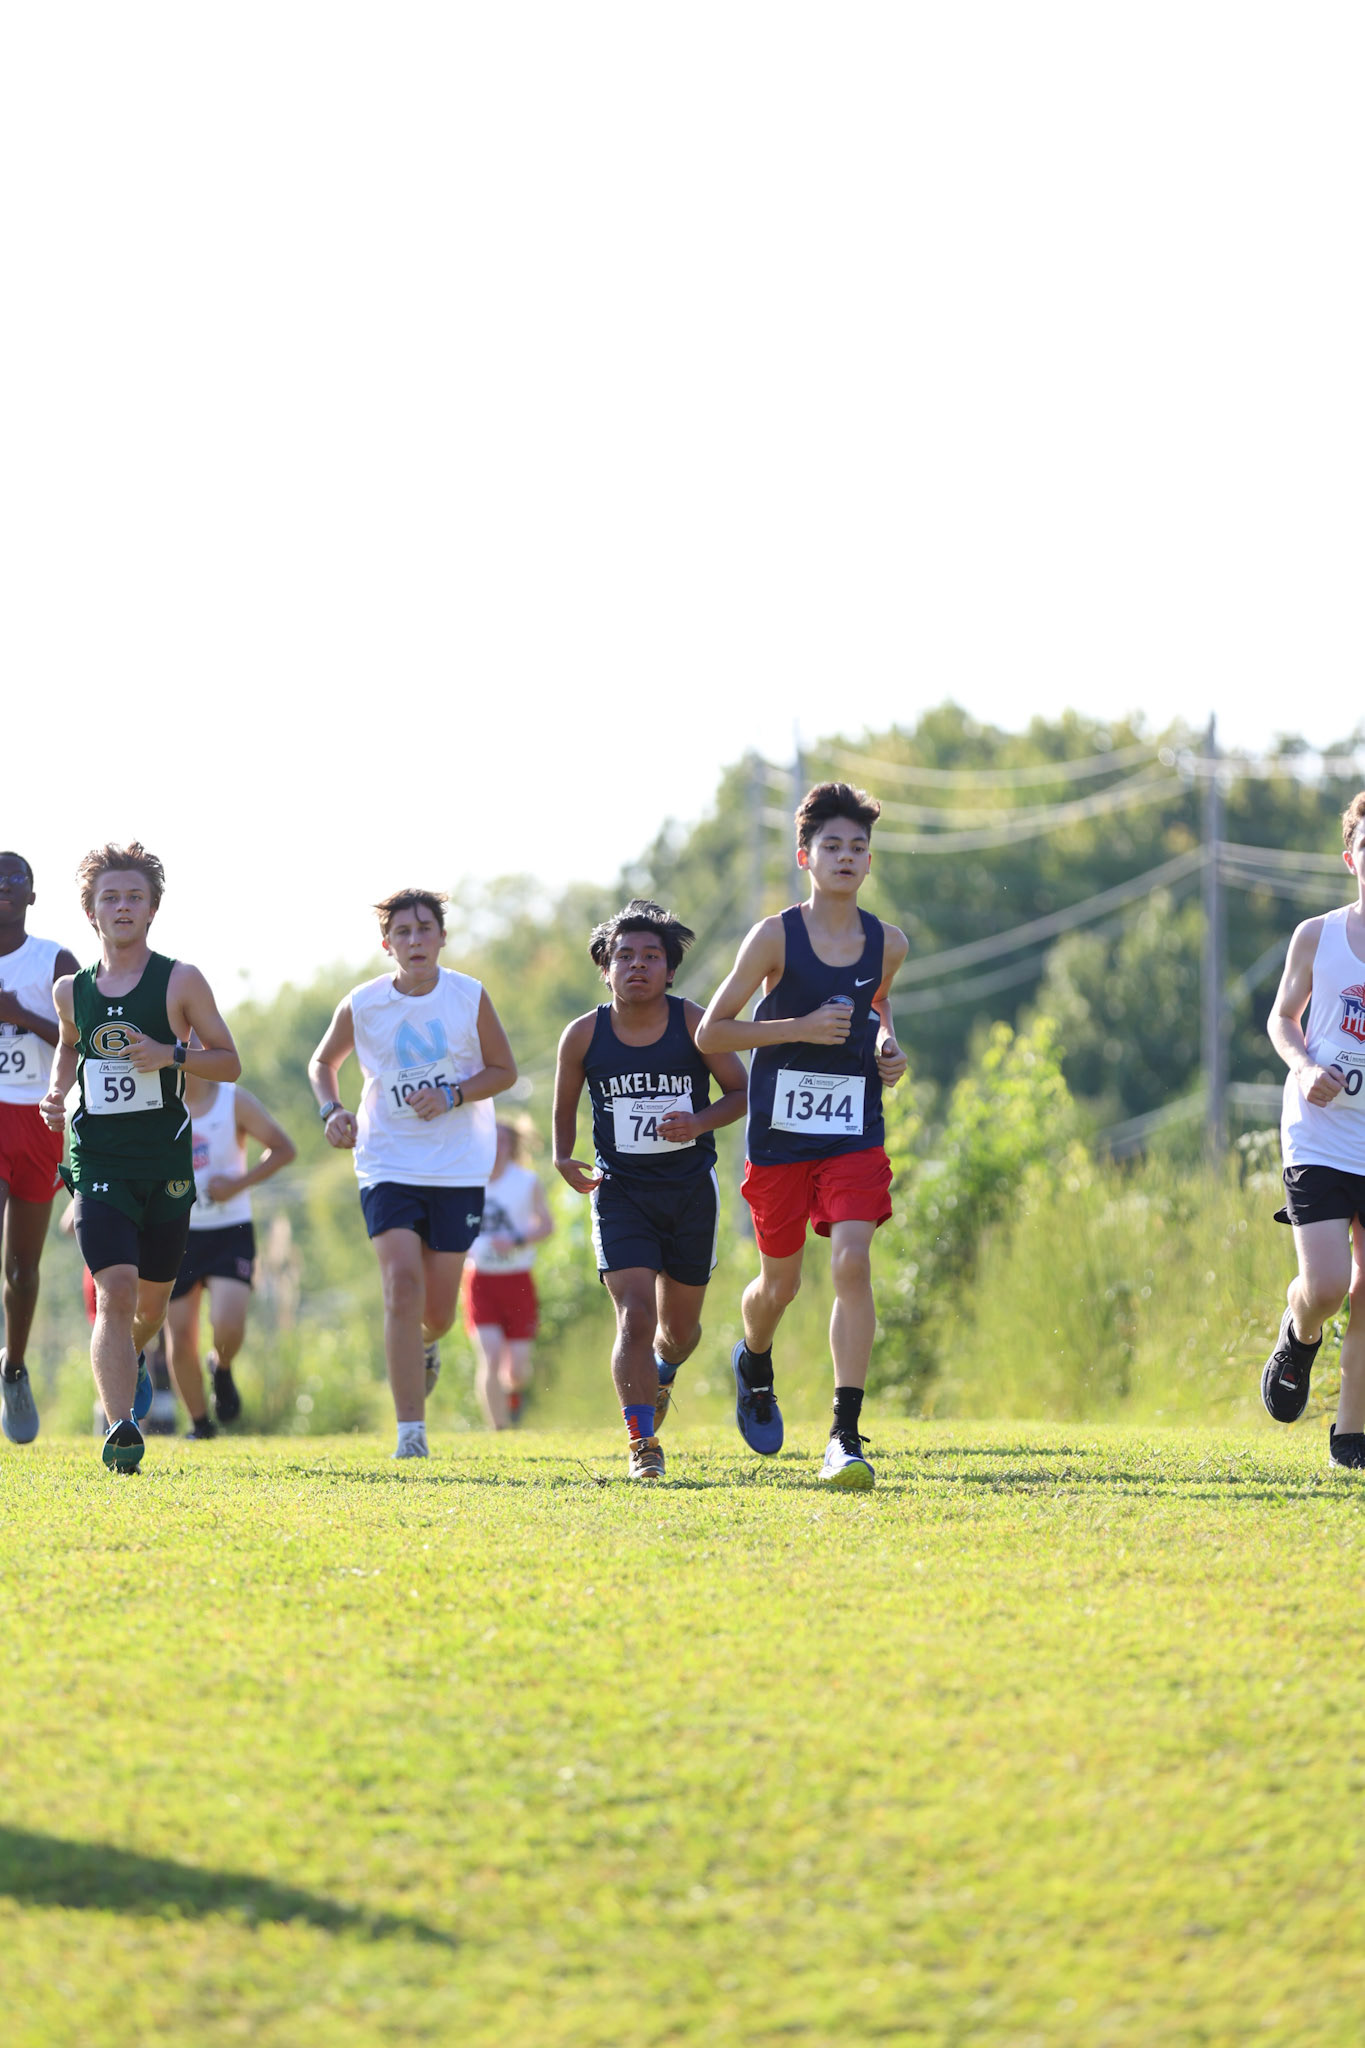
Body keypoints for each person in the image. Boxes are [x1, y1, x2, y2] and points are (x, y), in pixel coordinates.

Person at [696, 782, 909, 1491]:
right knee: (779, 1285)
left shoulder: (888, 943)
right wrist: (799, 1028)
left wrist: (887, 1047)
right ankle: (754, 1360)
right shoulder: (773, 937)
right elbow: (711, 1033)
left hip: (853, 1129)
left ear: (869, 861)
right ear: (804, 857)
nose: (845, 857)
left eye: (857, 847)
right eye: (831, 846)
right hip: (779, 1137)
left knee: (852, 1262)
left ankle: (844, 1436)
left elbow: (878, 1005)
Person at [39, 843, 241, 1473]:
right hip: (98, 1162)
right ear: (91, 912)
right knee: (116, 1291)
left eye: (134, 897)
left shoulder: (181, 980)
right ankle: (121, 1424)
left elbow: (229, 1062)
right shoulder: (70, 991)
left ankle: (131, 1361)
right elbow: (68, 1046)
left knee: (151, 1307)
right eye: (110, 898)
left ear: (153, 908)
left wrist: (170, 1055)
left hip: (165, 1166)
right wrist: (56, 1091)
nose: (122, 907)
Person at [308, 888, 518, 1460]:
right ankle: (411, 1434)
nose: (415, 939)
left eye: (425, 929)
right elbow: (323, 1062)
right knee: (401, 1286)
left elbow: (503, 1070)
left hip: (457, 1166)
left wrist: (453, 1094)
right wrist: (332, 1110)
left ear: (442, 937)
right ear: (387, 944)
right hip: (387, 1161)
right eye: (403, 932)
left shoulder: (468, 996)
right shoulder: (363, 1003)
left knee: (438, 1314)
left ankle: (425, 1345)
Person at [553, 899, 748, 1480]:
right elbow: (564, 1106)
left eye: (651, 956)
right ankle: (643, 1444)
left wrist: (698, 1122)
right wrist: (562, 1156)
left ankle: (662, 1373)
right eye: (624, 956)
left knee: (679, 1334)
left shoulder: (694, 1024)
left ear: (670, 970)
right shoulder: (582, 1035)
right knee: (635, 1317)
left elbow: (742, 1092)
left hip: (689, 1192)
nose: (637, 965)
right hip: (621, 1192)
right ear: (605, 969)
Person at [1263, 791, 1365, 1469]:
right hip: (1320, 1134)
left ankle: (1350, 1437)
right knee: (1327, 1286)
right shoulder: (1316, 936)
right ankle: (1299, 1333)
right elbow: (1281, 1017)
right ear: (1349, 858)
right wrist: (1303, 1068)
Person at [164, 1074, 296, 1437]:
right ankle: (199, 1425)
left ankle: (221, 1366)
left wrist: (237, 1185)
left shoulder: (232, 1100)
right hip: (176, 1231)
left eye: (191, 1044)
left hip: (229, 1229)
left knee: (228, 1323)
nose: (181, 1048)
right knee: (180, 1335)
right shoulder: (156, 1100)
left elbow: (284, 1149)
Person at [0, 853, 80, 1445]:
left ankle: (14, 1367)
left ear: (31, 895)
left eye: (15, 879)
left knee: (22, 1269)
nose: (3, 886)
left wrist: (19, 1014)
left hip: (40, 1117)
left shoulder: (55, 963)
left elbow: (84, 1040)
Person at [463, 1121, 554, 1428]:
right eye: (491, 1140)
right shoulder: (467, 1181)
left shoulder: (526, 1181)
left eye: (503, 1141)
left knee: (517, 1370)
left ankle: (514, 1395)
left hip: (518, 1280)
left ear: (512, 1146)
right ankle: (498, 1428)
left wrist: (516, 1239)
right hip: (479, 1280)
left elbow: (547, 1225)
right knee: (488, 1356)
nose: (496, 1147)